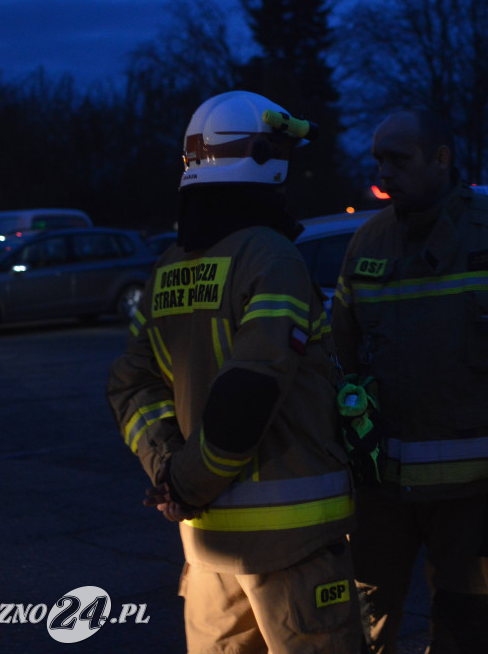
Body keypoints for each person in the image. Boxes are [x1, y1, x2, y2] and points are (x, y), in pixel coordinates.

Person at [106, 90, 363, 653]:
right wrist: (186, 481)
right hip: (291, 548)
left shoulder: (169, 269)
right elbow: (250, 389)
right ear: (264, 156)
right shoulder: (271, 258)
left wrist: (166, 467)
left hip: (207, 553)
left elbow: (131, 383)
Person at [330, 108, 488, 654]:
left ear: (441, 159)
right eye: (378, 159)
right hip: (381, 493)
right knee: (359, 625)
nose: (385, 171)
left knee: (464, 629)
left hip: (474, 495)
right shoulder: (367, 245)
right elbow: (340, 361)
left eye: (398, 159)